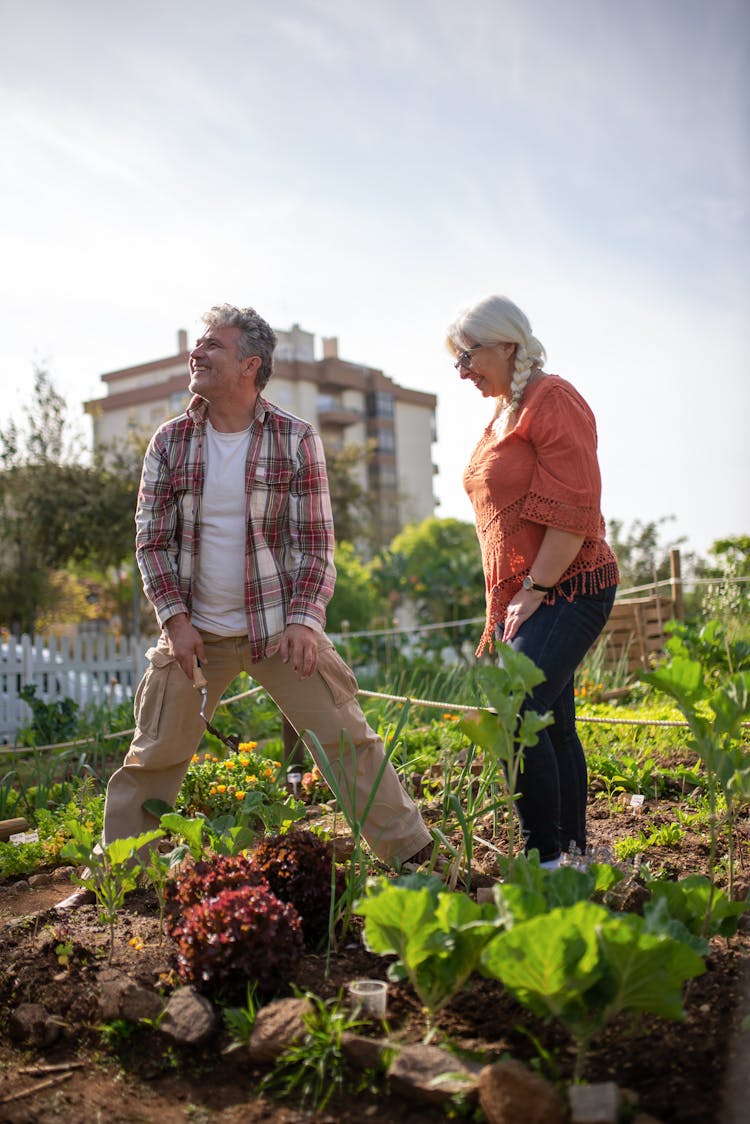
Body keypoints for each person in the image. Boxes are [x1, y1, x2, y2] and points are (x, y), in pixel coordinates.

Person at [57, 304, 432, 910]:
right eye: (197, 345)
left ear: (249, 365)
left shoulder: (295, 438)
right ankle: (118, 880)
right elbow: (150, 539)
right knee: (154, 752)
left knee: (346, 738)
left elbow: (315, 543)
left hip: (279, 628)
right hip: (195, 633)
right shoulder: (171, 440)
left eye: (212, 346)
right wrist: (175, 622)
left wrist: (307, 620)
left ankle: (414, 857)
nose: (195, 354)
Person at [446, 294, 619, 869]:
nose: (464, 371)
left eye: (469, 356)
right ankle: (573, 857)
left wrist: (536, 589)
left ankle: (544, 859)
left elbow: (575, 507)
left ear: (508, 345)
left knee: (516, 712)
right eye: (458, 361)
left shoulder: (552, 399)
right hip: (533, 590)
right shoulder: (503, 414)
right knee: (552, 722)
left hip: (570, 584)